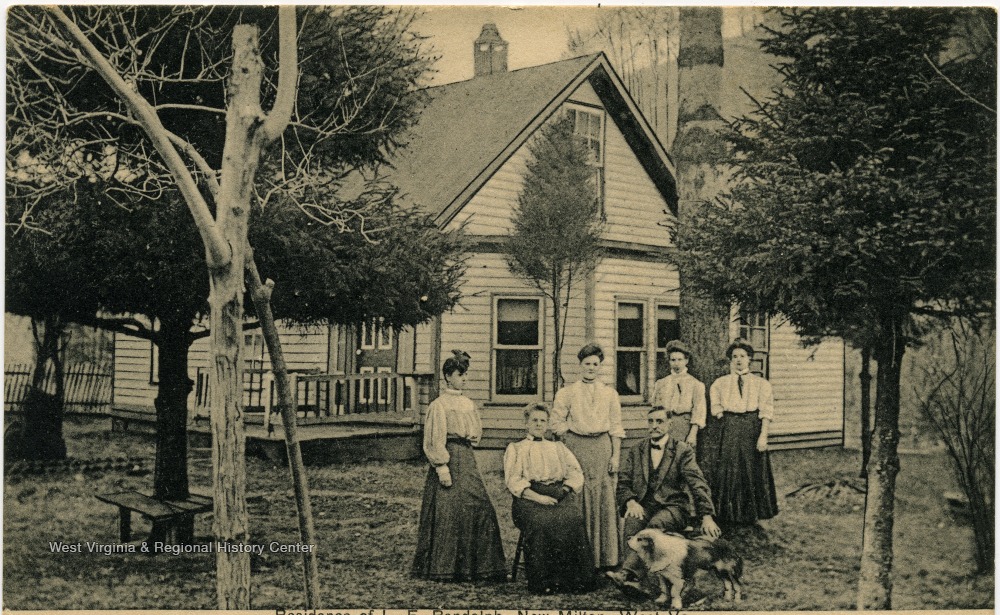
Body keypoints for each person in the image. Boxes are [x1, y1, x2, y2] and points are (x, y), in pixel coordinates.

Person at [412, 350, 507, 582]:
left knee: (481, 506)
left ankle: (479, 567)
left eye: (465, 374)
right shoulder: (439, 405)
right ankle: (445, 567)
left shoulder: (468, 404)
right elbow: (434, 438)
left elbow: (475, 434)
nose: (464, 379)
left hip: (467, 457)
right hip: (449, 457)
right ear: (447, 376)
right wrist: (441, 467)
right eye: (459, 374)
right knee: (449, 511)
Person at [606, 407, 721, 588]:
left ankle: (630, 576)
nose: (654, 426)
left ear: (670, 424)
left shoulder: (682, 450)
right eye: (651, 421)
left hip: (673, 507)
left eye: (659, 421)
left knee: (654, 527)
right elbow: (624, 482)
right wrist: (631, 501)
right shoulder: (637, 450)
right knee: (632, 521)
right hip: (644, 505)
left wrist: (707, 516)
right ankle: (634, 580)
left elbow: (697, 483)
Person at [503, 403, 596, 594]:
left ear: (547, 424)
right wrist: (538, 498)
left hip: (557, 494)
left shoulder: (558, 447)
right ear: (526, 423)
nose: (539, 424)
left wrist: (565, 489)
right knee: (542, 521)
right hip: (528, 498)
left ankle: (574, 580)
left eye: (543, 420)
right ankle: (543, 581)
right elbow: (514, 481)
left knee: (574, 518)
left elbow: (575, 472)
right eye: (534, 420)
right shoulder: (516, 449)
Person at [551, 343, 625, 570]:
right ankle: (579, 558)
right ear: (580, 365)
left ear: (600, 366)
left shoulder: (610, 393)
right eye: (587, 364)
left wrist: (615, 456)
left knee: (603, 497)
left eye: (595, 364)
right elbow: (556, 422)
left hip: (602, 448)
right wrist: (570, 438)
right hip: (577, 447)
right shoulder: (567, 392)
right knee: (578, 495)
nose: (591, 368)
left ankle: (606, 558)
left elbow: (616, 427)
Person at [706, 338, 779, 527]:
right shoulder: (720, 383)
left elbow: (766, 412)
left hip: (752, 427)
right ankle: (728, 514)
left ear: (749, 359)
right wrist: (725, 419)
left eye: (743, 356)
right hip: (730, 426)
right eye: (735, 356)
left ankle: (752, 514)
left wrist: (763, 436)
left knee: (751, 468)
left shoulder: (761, 384)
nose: (739, 360)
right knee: (729, 468)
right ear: (730, 360)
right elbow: (716, 407)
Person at [650, 341, 707, 446]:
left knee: (682, 453)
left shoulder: (695, 384)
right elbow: (655, 406)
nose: (676, 363)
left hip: (684, 425)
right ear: (669, 361)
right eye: (673, 360)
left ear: (686, 360)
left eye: (680, 360)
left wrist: (692, 434)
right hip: (663, 424)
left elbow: (699, 410)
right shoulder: (661, 383)